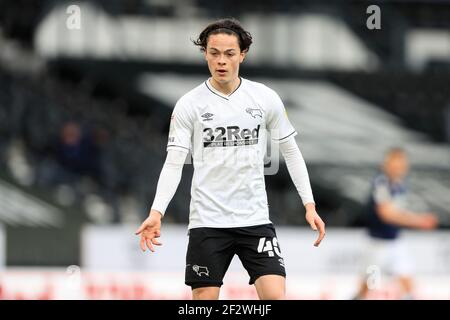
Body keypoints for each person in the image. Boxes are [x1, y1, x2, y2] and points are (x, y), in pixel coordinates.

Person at [135, 18, 325, 300]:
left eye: (229, 54)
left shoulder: (264, 98)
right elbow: (174, 162)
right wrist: (156, 212)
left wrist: (309, 204)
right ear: (205, 54)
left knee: (275, 296)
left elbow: (291, 152)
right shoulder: (190, 104)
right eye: (214, 53)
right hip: (207, 222)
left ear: (242, 54)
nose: (221, 61)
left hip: (255, 218)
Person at [354, 147, 438, 299]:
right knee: (368, 287)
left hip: (395, 242)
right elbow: (386, 214)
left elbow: (398, 212)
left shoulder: (400, 184)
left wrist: (416, 219)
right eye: (396, 164)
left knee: (408, 284)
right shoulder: (381, 183)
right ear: (387, 164)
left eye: (402, 164)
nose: (400, 167)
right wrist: (419, 221)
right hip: (377, 244)